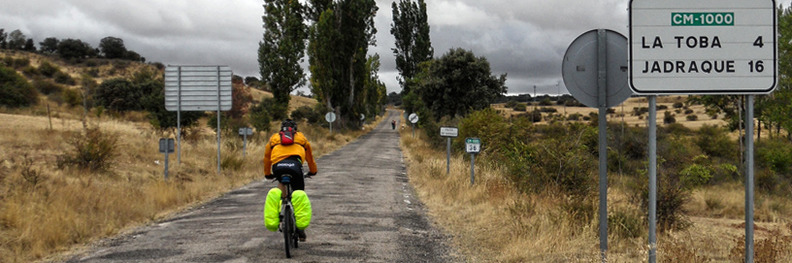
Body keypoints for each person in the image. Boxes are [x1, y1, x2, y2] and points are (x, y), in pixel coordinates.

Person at [263, 119, 318, 241]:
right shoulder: (301, 138)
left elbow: (267, 158)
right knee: (299, 193)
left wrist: (267, 174)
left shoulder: (273, 139)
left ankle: (280, 210)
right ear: (295, 129)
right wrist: (313, 171)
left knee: (281, 184)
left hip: (278, 167)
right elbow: (310, 158)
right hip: (295, 167)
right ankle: (300, 229)